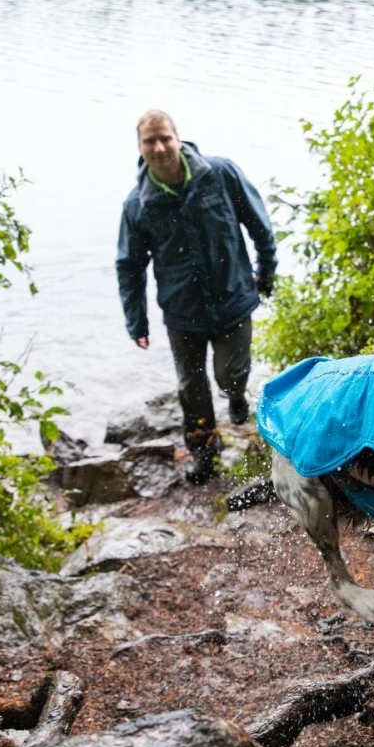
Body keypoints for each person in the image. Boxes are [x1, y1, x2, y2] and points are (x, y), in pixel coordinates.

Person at [116, 109, 277, 484]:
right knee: (191, 388)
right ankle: (205, 451)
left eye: (164, 138)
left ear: (178, 138)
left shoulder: (220, 174)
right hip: (181, 311)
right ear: (140, 148)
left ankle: (236, 397)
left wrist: (265, 270)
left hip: (233, 299)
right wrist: (136, 320)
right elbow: (130, 266)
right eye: (149, 141)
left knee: (229, 375)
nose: (158, 147)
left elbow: (258, 223)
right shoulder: (137, 204)